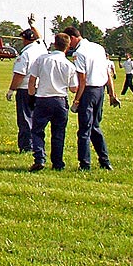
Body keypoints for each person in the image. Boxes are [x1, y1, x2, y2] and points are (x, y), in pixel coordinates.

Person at [66, 25, 117, 171]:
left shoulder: (79, 53)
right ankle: (104, 160)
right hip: (100, 90)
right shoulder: (98, 48)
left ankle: (85, 164)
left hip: (87, 91)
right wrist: (112, 93)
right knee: (95, 126)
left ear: (73, 38)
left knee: (84, 130)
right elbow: (107, 72)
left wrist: (76, 101)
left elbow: (82, 80)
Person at [27, 32, 77, 171]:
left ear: (54, 44)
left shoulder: (42, 59)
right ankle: (57, 163)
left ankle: (39, 158)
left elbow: (32, 81)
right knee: (58, 133)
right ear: (67, 47)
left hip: (43, 98)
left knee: (37, 130)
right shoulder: (69, 65)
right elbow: (73, 88)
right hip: (60, 100)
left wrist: (31, 96)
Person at [7, 27, 47, 153]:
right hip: (39, 88)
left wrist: (11, 89)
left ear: (25, 39)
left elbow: (20, 74)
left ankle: (26, 145)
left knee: (25, 118)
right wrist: (34, 25)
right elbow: (40, 38)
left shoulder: (25, 54)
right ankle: (37, 144)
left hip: (24, 89)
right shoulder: (41, 49)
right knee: (37, 117)